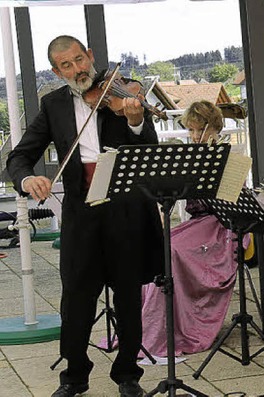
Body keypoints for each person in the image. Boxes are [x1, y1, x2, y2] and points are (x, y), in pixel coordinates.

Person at [6, 35, 163, 397]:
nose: (78, 70)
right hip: (82, 213)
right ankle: (74, 377)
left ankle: (128, 374)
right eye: (67, 65)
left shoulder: (123, 93)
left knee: (127, 296)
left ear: (90, 56)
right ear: (56, 71)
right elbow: (19, 157)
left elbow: (149, 150)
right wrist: (28, 178)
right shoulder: (54, 105)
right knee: (75, 299)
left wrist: (137, 123)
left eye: (80, 60)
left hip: (125, 209)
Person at [139, 100, 247, 357]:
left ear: (215, 128)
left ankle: (176, 328)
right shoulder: (190, 154)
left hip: (223, 226)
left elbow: (234, 200)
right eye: (192, 131)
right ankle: (152, 326)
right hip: (198, 224)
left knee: (174, 250)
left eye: (201, 130)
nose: (196, 136)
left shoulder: (227, 155)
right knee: (156, 246)